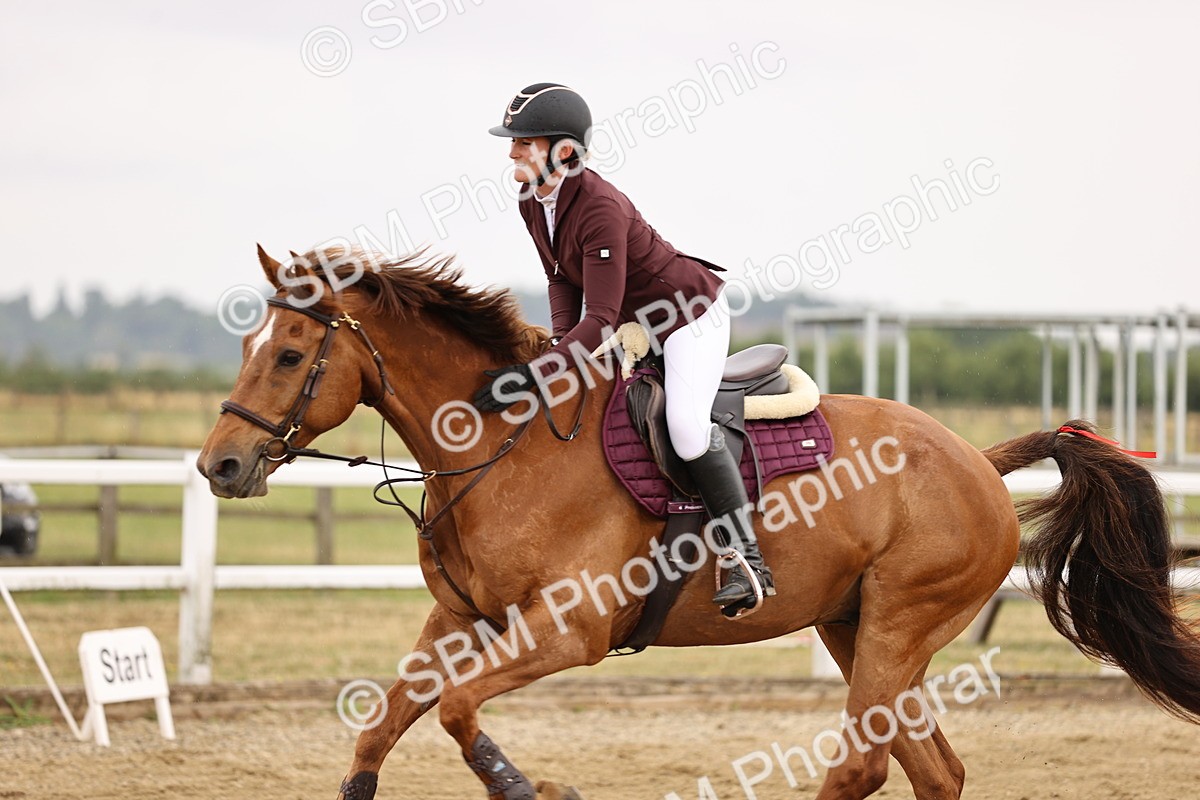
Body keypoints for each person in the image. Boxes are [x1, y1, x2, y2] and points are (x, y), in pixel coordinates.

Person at [474, 82, 774, 613]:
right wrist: (559, 346)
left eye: (524, 141)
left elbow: (603, 317)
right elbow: (561, 280)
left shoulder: (600, 206)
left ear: (563, 151)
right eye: (513, 141)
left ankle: (744, 556)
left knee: (684, 428)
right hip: (639, 325)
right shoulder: (531, 198)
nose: (512, 150)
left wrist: (541, 371)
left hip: (690, 317)